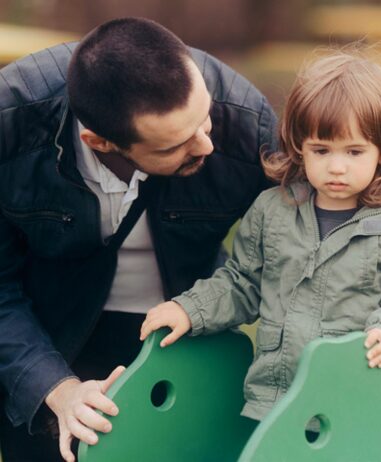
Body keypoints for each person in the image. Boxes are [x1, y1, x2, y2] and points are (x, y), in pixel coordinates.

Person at [0, 17, 278, 462]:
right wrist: (55, 389)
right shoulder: (9, 122)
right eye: (176, 145)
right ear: (99, 142)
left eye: (204, 118)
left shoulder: (247, 120)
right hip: (45, 339)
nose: (206, 144)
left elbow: (330, 233)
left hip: (186, 339)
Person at [140, 47, 381, 424]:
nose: (337, 167)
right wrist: (190, 309)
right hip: (271, 403)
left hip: (352, 406)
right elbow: (243, 283)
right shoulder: (273, 211)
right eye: (321, 150)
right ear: (300, 146)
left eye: (354, 151)